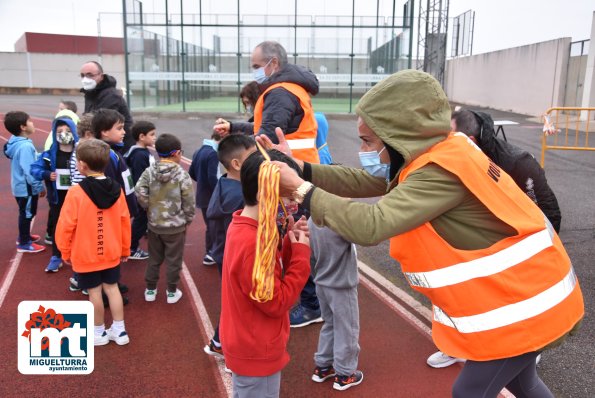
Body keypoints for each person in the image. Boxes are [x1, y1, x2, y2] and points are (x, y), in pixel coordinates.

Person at [263, 69, 584, 398]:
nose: (365, 149)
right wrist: (302, 168)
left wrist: (301, 190)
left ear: (399, 135)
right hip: (529, 296)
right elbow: (365, 181)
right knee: (522, 383)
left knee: (469, 392)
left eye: (369, 141)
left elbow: (371, 224)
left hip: (523, 306)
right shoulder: (442, 152)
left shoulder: (439, 173)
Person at [426, 109, 564, 369]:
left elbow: (549, 212)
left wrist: (535, 253)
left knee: (521, 296)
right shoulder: (454, 158)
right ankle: (456, 344)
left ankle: (529, 347)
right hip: (479, 240)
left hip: (519, 242)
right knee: (461, 291)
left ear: (470, 141)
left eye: (449, 139)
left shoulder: (518, 163)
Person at [219, 149, 311, 398]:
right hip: (256, 349)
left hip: (250, 341)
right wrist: (302, 255)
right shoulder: (254, 243)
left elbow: (270, 275)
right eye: (288, 196)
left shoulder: (249, 226)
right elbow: (276, 302)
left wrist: (290, 243)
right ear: (264, 194)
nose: (295, 203)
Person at [55, 139, 131, 346]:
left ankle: (98, 333)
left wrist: (64, 251)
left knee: (94, 292)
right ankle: (120, 330)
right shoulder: (117, 190)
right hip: (112, 251)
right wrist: (125, 249)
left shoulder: (75, 193)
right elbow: (125, 222)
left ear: (82, 165)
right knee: (112, 288)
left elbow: (65, 226)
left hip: (86, 254)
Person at [202, 134, 256, 359]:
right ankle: (227, 346)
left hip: (226, 254)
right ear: (237, 164)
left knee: (235, 301)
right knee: (241, 303)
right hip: (235, 257)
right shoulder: (239, 196)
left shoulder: (226, 183)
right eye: (254, 157)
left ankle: (220, 341)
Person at [135, 133, 195, 304]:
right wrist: (187, 219)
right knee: (174, 260)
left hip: (155, 225)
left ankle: (150, 290)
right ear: (176, 153)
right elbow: (189, 200)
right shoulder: (182, 175)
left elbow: (139, 191)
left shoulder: (149, 171)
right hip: (176, 227)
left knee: (154, 258)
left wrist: (149, 207)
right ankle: (171, 291)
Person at [309, 217, 363, 391]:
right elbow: (368, 236)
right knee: (348, 328)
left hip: (322, 282)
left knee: (330, 324)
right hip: (342, 284)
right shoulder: (340, 219)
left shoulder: (312, 220)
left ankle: (323, 366)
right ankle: (345, 373)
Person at [31, 115, 79, 272]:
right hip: (58, 199)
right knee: (60, 227)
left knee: (79, 227)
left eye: (67, 130)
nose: (64, 133)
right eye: (59, 131)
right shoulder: (48, 154)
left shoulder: (80, 152)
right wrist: (46, 175)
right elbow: (34, 169)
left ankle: (78, 254)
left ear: (74, 131)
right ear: (54, 133)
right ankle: (56, 256)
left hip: (78, 199)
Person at [3, 111, 46, 253]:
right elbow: (30, 170)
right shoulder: (25, 146)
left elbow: (29, 159)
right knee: (27, 213)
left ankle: (24, 235)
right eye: (30, 121)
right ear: (23, 127)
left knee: (26, 212)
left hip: (19, 186)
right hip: (26, 187)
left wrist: (41, 156)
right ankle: (24, 242)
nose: (33, 124)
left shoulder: (16, 141)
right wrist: (39, 186)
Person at [80, 61, 134, 151]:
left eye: (90, 75)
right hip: (105, 143)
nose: (86, 79)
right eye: (83, 75)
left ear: (101, 76)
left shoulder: (110, 95)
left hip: (119, 146)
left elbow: (101, 122)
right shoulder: (90, 93)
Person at [124, 121, 157, 260]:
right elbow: (140, 178)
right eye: (152, 134)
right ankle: (131, 248)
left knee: (142, 220)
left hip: (144, 194)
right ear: (142, 136)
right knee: (140, 220)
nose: (155, 137)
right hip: (141, 196)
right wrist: (144, 197)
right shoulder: (139, 155)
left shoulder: (142, 151)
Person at [189, 132, 221, 266]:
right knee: (215, 226)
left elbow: (191, 171)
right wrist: (219, 193)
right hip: (211, 197)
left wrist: (201, 183)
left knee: (210, 225)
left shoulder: (199, 151)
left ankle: (211, 252)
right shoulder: (213, 153)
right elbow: (212, 177)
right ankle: (211, 253)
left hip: (202, 195)